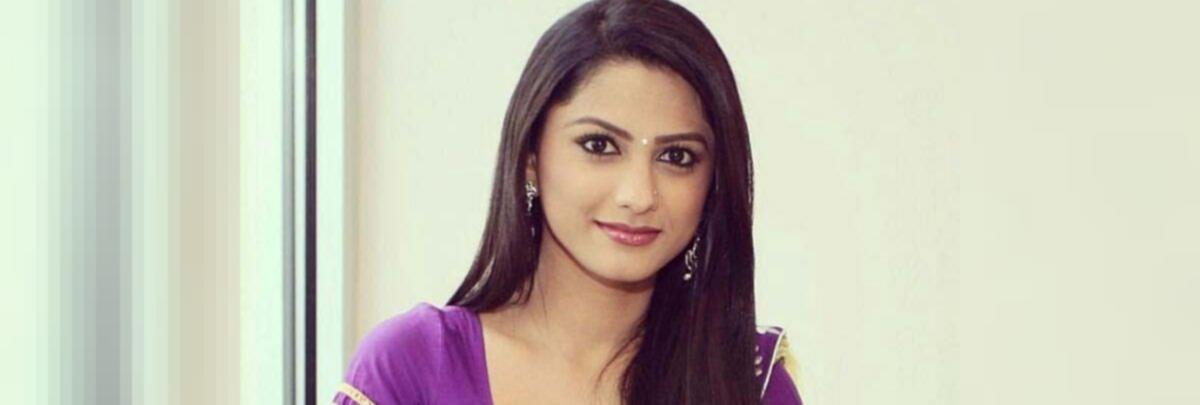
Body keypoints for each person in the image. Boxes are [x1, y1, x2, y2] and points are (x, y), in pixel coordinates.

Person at [334, 0, 802, 403]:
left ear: (713, 181)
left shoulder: (747, 382)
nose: (638, 195)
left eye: (676, 156)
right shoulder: (414, 366)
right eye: (599, 145)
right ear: (531, 156)